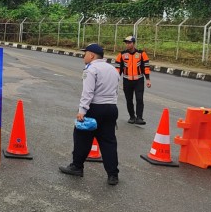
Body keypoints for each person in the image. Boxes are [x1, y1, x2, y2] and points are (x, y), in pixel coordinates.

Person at [59, 43, 120, 186]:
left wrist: (82, 111)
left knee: (81, 137)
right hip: (111, 108)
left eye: (85, 53)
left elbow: (88, 92)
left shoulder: (91, 69)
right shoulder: (112, 69)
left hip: (95, 108)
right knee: (108, 142)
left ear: (92, 55)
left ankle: (77, 166)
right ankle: (113, 175)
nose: (83, 56)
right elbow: (116, 91)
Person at [115, 35, 151, 125]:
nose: (127, 44)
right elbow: (118, 69)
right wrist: (115, 80)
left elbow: (146, 67)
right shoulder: (121, 55)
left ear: (133, 43)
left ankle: (139, 118)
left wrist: (148, 79)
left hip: (139, 80)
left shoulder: (142, 54)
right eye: (126, 43)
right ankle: (132, 117)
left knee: (139, 99)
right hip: (127, 81)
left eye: (129, 42)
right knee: (129, 100)